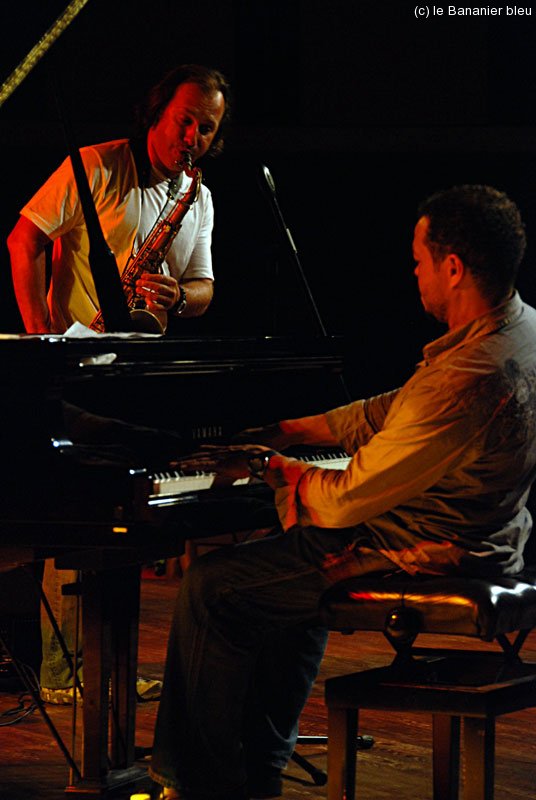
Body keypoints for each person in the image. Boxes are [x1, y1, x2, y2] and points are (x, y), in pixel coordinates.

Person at [148, 184, 536, 800]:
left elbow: (344, 499)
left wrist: (275, 466)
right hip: (494, 535)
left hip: (424, 547)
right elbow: (399, 409)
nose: (414, 273)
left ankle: (201, 785)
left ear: (453, 268)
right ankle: (260, 770)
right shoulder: (520, 330)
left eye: (419, 261)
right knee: (276, 579)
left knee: (213, 586)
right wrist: (298, 429)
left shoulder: (465, 377)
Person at [6, 63, 230, 703]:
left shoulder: (197, 196)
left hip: (140, 374)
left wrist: (178, 295)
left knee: (126, 520)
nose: (192, 138)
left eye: (206, 129)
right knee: (78, 514)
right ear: (155, 113)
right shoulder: (95, 167)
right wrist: (41, 336)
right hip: (76, 363)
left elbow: (205, 288)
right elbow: (23, 241)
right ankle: (62, 672)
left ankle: (108, 668)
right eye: (184, 121)